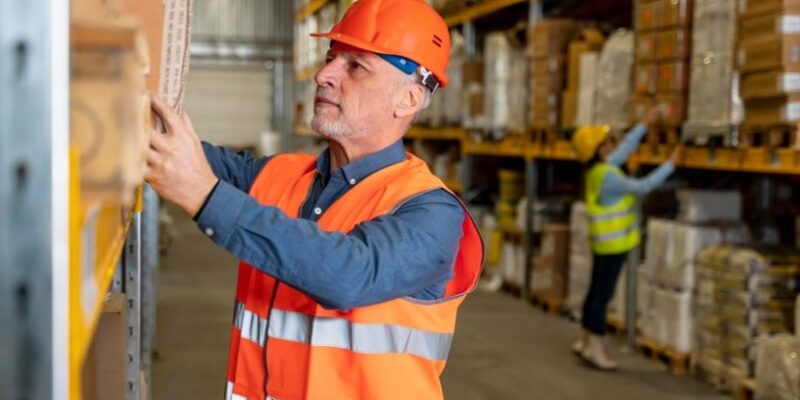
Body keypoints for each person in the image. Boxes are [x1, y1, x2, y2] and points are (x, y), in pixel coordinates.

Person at [144, 0, 484, 398]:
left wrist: (204, 196)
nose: (324, 74)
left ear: (407, 100)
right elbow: (176, 153)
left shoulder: (430, 212)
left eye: (355, 66)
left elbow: (349, 274)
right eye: (331, 58)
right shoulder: (279, 176)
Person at [570, 109, 680, 370]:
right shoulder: (608, 176)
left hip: (604, 243)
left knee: (596, 290)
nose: (612, 144)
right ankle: (595, 347)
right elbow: (642, 187)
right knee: (603, 294)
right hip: (614, 244)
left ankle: (585, 340)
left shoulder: (599, 170)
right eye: (607, 142)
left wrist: (643, 125)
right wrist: (670, 165)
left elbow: (624, 151)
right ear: (599, 150)